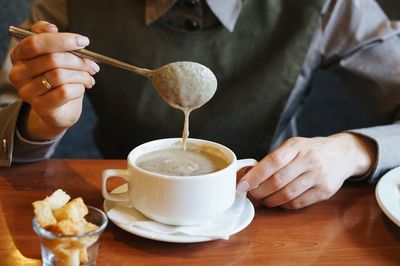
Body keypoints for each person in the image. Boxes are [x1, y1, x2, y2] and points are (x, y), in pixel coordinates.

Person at [1, 0, 399, 209]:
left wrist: (353, 150)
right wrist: (42, 121)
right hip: (125, 211)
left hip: (275, 212)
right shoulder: (67, 4)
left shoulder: (329, 4)